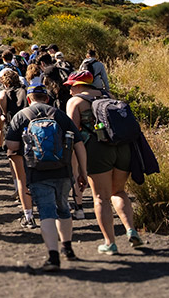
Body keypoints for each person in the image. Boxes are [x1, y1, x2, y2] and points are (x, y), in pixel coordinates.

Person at [5, 85, 88, 272]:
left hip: (37, 172)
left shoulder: (21, 115)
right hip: (62, 170)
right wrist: (83, 172)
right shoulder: (58, 114)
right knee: (63, 208)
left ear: (29, 99)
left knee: (46, 212)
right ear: (47, 98)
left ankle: (53, 256)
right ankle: (67, 248)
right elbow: (79, 143)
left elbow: (11, 145)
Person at [65, 70, 143, 254]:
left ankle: (110, 243)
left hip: (97, 150)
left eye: (70, 87)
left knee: (101, 197)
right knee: (119, 191)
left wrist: (76, 169)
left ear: (78, 86)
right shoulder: (110, 96)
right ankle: (131, 230)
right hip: (123, 148)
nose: (69, 91)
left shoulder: (75, 102)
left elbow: (72, 136)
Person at [0, 69, 35, 228]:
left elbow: (2, 111)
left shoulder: (3, 93)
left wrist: (3, 112)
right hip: (29, 129)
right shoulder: (24, 91)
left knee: (17, 169)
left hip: (12, 129)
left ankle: (23, 201)